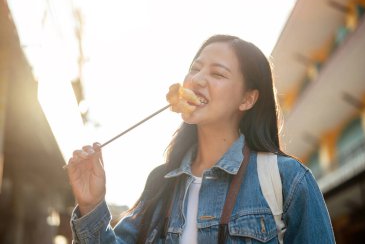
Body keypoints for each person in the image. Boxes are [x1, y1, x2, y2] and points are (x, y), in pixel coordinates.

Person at [67, 34, 336, 243]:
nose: (197, 80)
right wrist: (91, 206)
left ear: (247, 99)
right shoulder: (161, 184)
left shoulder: (288, 180)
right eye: (195, 69)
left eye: (217, 74)